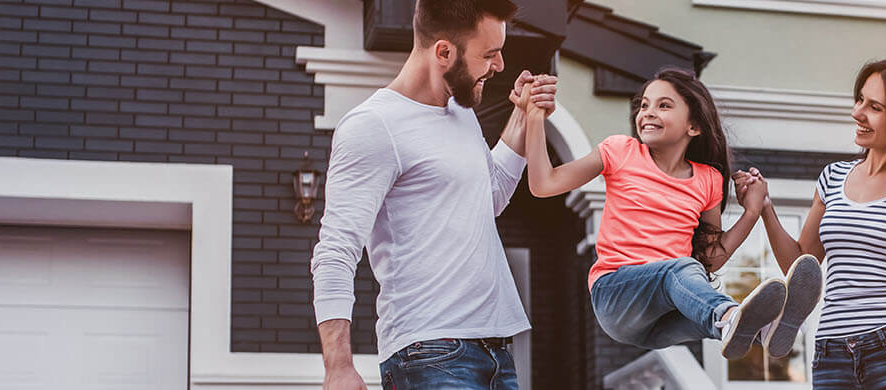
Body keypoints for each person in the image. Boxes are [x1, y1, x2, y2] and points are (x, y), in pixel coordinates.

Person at [307, 1, 558, 389]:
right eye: (489, 54)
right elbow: (336, 250)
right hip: (429, 354)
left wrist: (524, 115)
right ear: (444, 52)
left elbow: (488, 198)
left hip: (495, 351)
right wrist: (338, 366)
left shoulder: (461, 113)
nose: (500, 66)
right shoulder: (373, 126)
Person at [516, 68, 822, 359]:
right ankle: (729, 315)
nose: (647, 112)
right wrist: (534, 117)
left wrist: (752, 212)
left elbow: (710, 258)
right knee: (683, 274)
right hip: (615, 296)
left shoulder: (708, 179)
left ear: (694, 126)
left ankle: (766, 329)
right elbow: (544, 184)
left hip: (661, 317)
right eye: (644, 105)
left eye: (663, 105)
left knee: (705, 309)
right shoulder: (620, 152)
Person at [740, 58, 886, 389]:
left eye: (874, 107)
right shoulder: (833, 178)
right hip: (833, 354)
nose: (857, 113)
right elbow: (800, 265)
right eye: (860, 100)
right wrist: (765, 207)